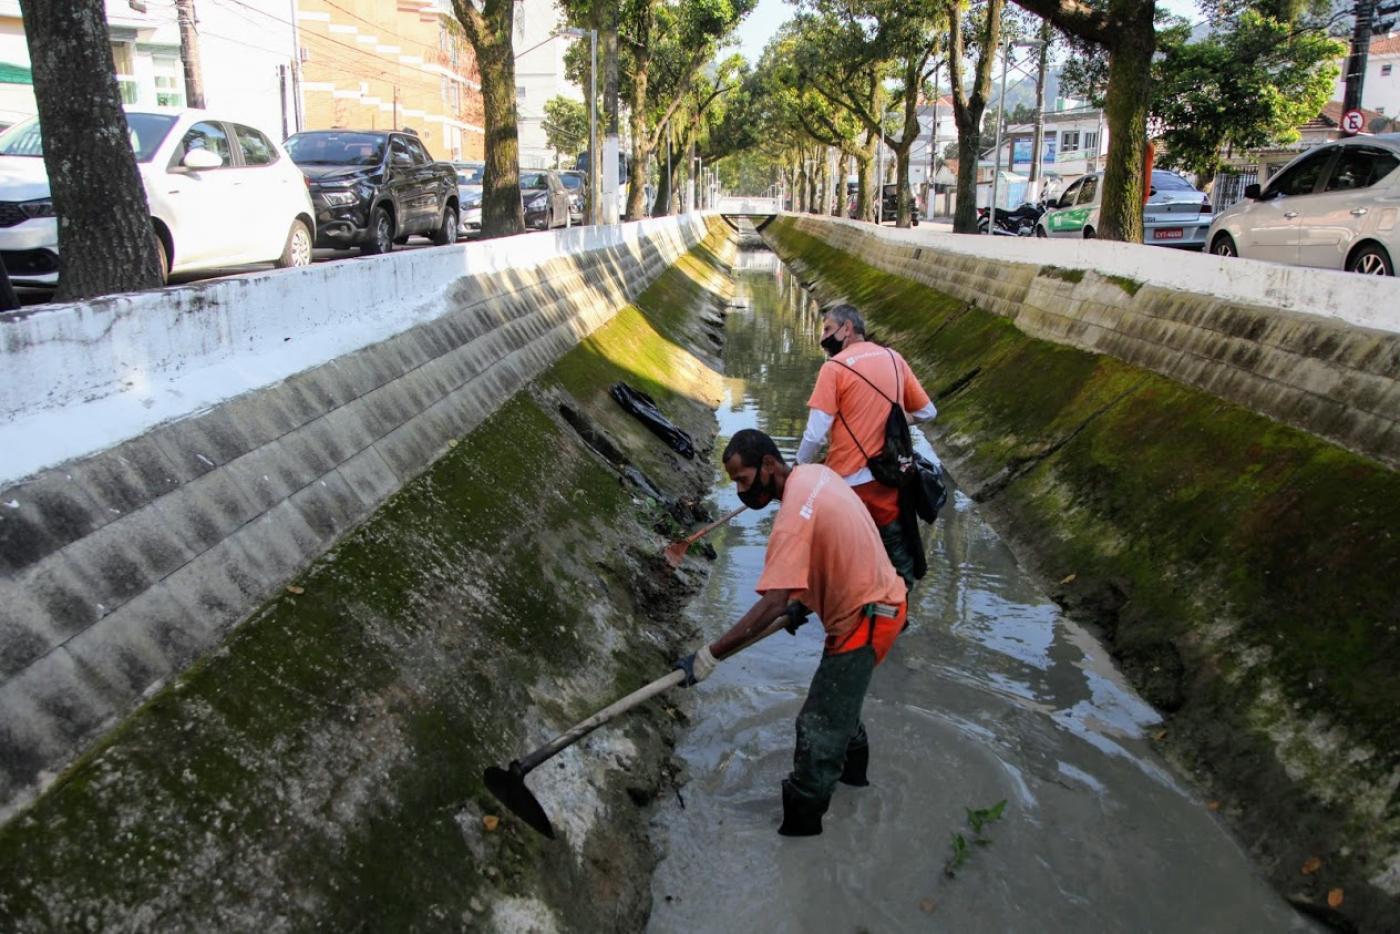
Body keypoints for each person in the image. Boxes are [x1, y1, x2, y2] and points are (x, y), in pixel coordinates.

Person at [673, 429, 908, 837]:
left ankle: (800, 842)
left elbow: (771, 603)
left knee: (816, 731)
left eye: (743, 479)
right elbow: (832, 549)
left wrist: (710, 655)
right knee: (839, 710)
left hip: (868, 618)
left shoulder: (792, 517)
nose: (741, 491)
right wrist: (806, 601)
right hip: (879, 604)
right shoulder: (816, 475)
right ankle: (856, 789)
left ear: (768, 465)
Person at [797, 303, 938, 591]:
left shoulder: (833, 369)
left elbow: (815, 432)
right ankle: (895, 615)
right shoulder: (894, 358)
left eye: (827, 329)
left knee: (843, 556)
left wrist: (799, 468)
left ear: (846, 328)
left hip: (848, 483)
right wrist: (893, 421)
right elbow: (928, 412)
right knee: (896, 555)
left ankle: (847, 612)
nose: (824, 337)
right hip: (891, 479)